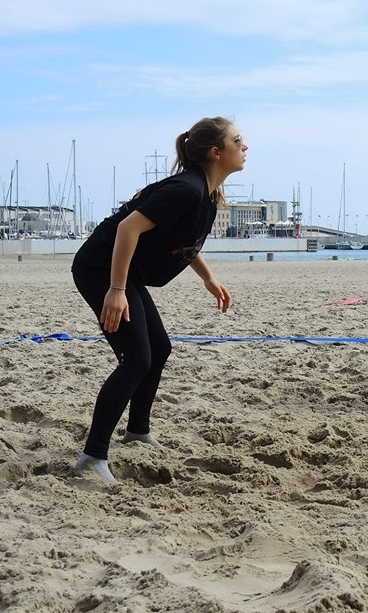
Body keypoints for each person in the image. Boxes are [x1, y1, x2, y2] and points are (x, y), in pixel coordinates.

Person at [70, 117, 243, 483]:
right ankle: (92, 456)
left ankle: (137, 430)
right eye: (237, 140)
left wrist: (209, 278)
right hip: (101, 268)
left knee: (159, 349)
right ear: (216, 152)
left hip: (121, 271)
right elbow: (127, 228)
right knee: (136, 359)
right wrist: (116, 290)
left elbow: (179, 240)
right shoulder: (186, 189)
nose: (245, 147)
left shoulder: (206, 193)